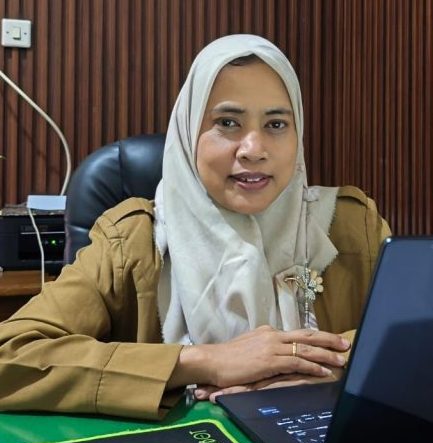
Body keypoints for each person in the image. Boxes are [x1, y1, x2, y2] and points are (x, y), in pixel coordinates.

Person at [0, 34, 390, 420]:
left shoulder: (352, 225)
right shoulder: (131, 241)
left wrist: (330, 368)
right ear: (188, 133)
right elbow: (11, 356)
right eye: (227, 122)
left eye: (276, 124)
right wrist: (205, 361)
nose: (254, 149)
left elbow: (415, 336)